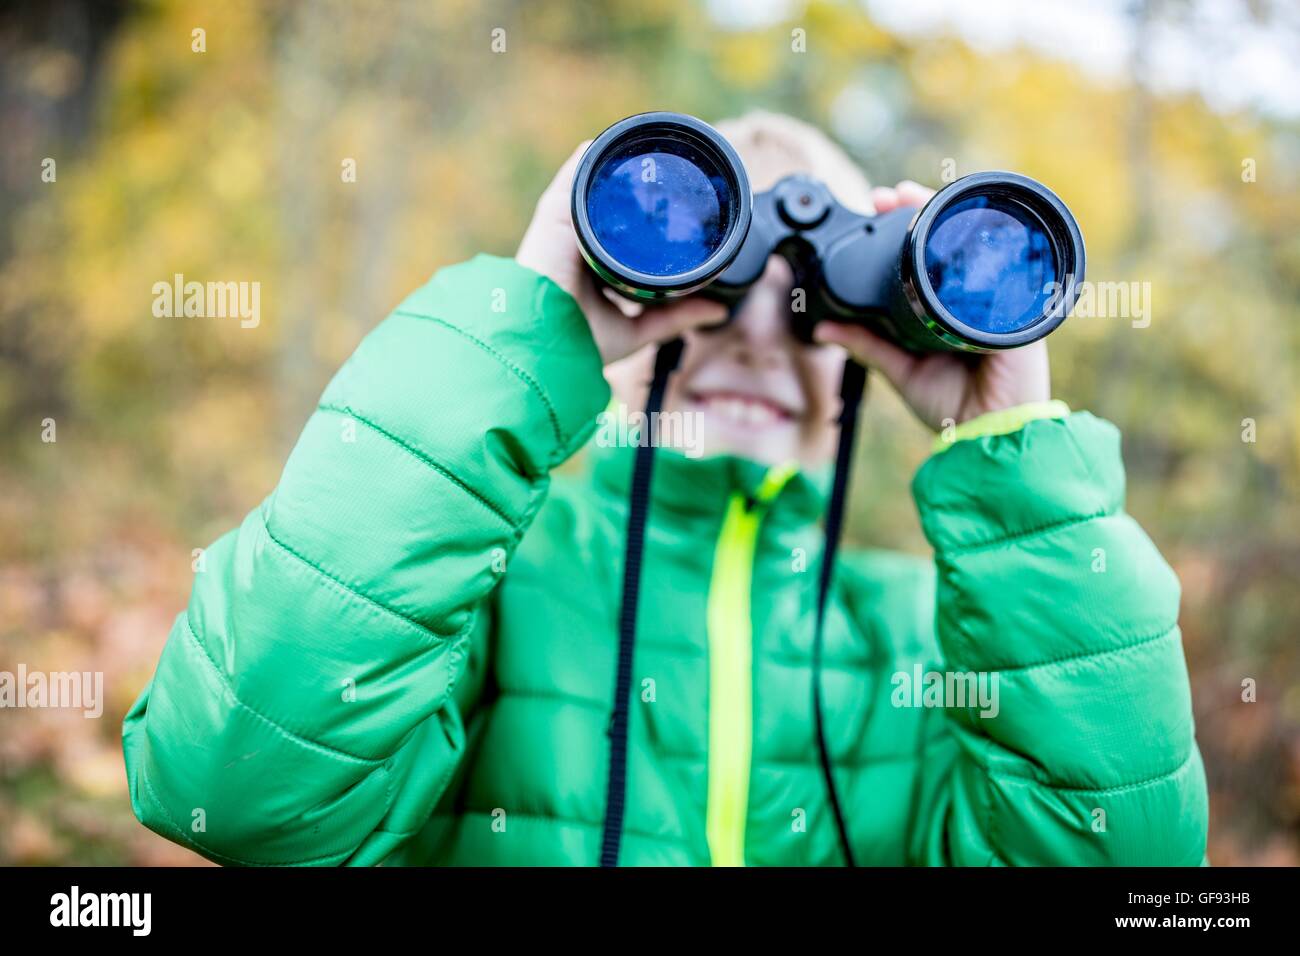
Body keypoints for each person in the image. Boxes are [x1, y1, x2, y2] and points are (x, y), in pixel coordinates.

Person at [122, 111, 1208, 866]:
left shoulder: (937, 642)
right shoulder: (479, 594)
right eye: (707, 297)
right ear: (619, 330)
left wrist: (1011, 452)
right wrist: (523, 326)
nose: (750, 344)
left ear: (869, 347)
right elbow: (235, 789)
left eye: (804, 313)